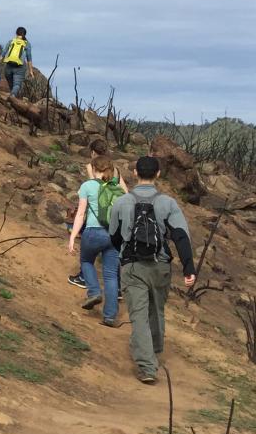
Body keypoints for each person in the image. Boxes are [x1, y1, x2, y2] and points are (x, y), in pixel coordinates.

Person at [108, 155, 196, 384]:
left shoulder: (122, 202)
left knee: (138, 315)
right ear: (158, 174)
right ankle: (155, 349)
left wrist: (125, 251)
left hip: (132, 265)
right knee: (156, 309)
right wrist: (189, 268)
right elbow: (181, 236)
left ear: (135, 173)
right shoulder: (168, 203)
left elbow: (114, 237)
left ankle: (147, 367)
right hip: (161, 266)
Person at [68, 148, 128, 328]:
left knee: (86, 261)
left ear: (94, 169)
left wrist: (72, 237)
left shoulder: (88, 186)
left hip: (93, 232)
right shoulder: (117, 189)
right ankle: (110, 317)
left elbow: (80, 214)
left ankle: (94, 291)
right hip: (113, 236)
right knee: (110, 276)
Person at [0, 27, 33, 97]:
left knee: (12, 85)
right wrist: (31, 71)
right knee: (17, 84)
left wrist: (0, 60)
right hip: (20, 67)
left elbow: (4, 52)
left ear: (16, 33)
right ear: (25, 34)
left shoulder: (11, 41)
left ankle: (12, 97)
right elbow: (29, 58)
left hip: (9, 65)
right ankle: (13, 96)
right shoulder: (27, 44)